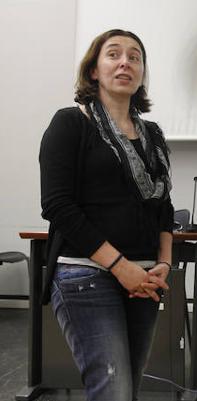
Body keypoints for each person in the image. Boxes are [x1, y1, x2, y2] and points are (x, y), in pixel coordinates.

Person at [39, 29, 174, 401]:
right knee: (112, 390)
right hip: (86, 272)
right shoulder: (70, 123)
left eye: (135, 57)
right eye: (113, 54)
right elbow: (57, 205)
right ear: (94, 70)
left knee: (127, 390)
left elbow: (163, 206)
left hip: (145, 275)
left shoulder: (154, 135)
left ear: (142, 72)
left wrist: (164, 262)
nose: (125, 63)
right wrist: (120, 266)